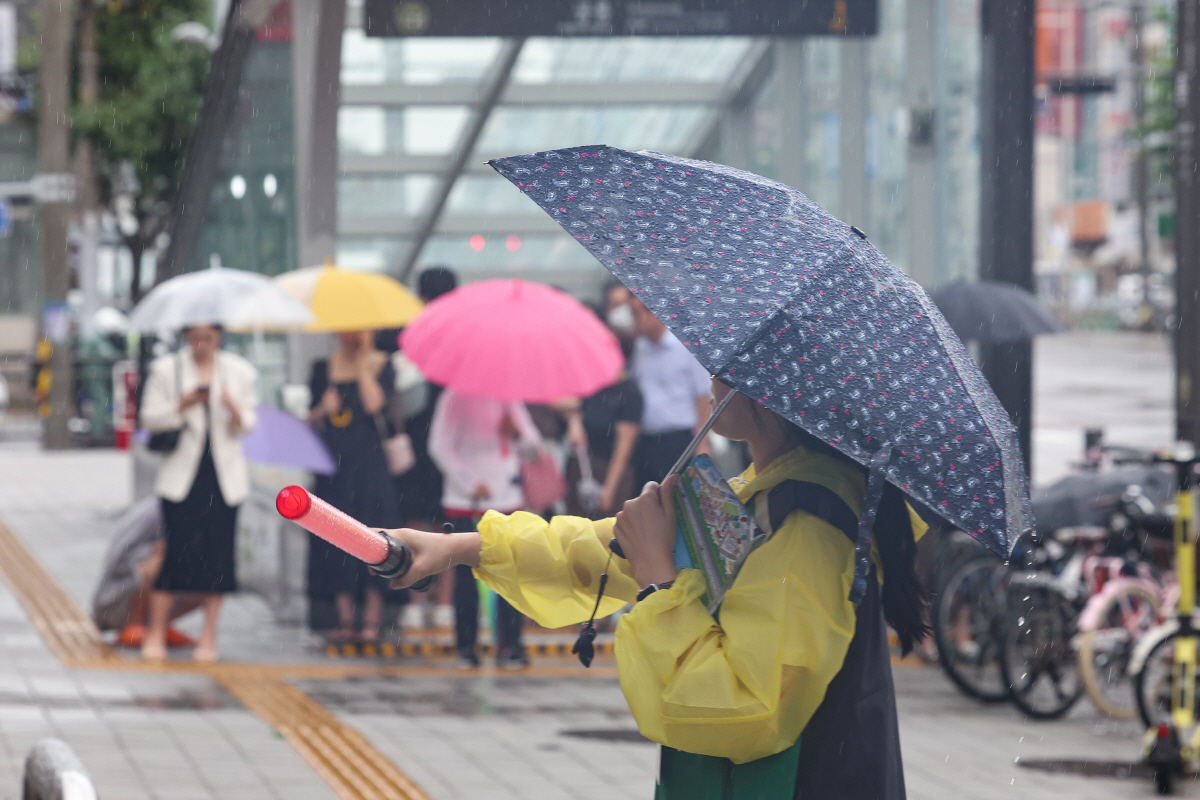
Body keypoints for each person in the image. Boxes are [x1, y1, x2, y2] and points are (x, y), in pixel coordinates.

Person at [385, 377, 928, 799]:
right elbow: (596, 552)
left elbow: (746, 708)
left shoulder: (807, 525)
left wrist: (658, 580)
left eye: (729, 367)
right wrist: (456, 549)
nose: (712, 376)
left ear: (775, 390)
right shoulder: (762, 494)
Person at [139, 324, 258, 662]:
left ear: (219, 336)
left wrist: (232, 406)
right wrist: (183, 404)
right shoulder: (167, 370)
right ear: (187, 337)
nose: (202, 345)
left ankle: (209, 636)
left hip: (223, 480)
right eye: (195, 338)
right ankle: (156, 631)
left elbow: (247, 423)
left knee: (218, 560)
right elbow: (149, 417)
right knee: (174, 554)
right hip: (181, 479)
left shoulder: (238, 371)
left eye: (209, 338)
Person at [427, 387, 541, 668]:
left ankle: (511, 645)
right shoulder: (455, 397)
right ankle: (466, 646)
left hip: (506, 499)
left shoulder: (509, 397)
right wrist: (469, 482)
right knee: (466, 574)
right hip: (466, 499)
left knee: (509, 573)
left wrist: (516, 434)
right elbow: (440, 446)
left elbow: (533, 447)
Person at [307, 330, 404, 645]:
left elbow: (375, 404)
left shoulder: (382, 364)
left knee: (374, 537)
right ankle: (345, 617)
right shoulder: (324, 367)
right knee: (336, 536)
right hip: (334, 467)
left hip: (371, 467)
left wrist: (363, 367)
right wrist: (323, 407)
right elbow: (309, 419)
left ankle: (372, 620)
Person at [395, 266, 458, 630]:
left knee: (412, 524)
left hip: (417, 444)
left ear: (419, 297)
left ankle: (413, 602)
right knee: (446, 525)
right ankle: (445, 604)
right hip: (452, 445)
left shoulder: (410, 336)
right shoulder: (461, 338)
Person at [91, 497, 201, 648]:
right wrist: (152, 551)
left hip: (157, 592)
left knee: (211, 578)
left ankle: (159, 625)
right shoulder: (153, 511)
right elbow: (115, 561)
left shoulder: (197, 513)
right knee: (159, 563)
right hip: (116, 598)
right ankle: (134, 624)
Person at [565, 317, 643, 518]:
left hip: (608, 472)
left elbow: (623, 449)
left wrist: (610, 489)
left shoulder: (629, 393)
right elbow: (574, 406)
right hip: (582, 468)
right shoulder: (595, 384)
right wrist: (575, 423)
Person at [629, 298, 712, 488]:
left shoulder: (685, 346)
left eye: (636, 313)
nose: (633, 320)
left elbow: (702, 395)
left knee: (677, 500)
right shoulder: (642, 346)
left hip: (678, 440)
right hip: (648, 440)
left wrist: (703, 442)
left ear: (653, 313)